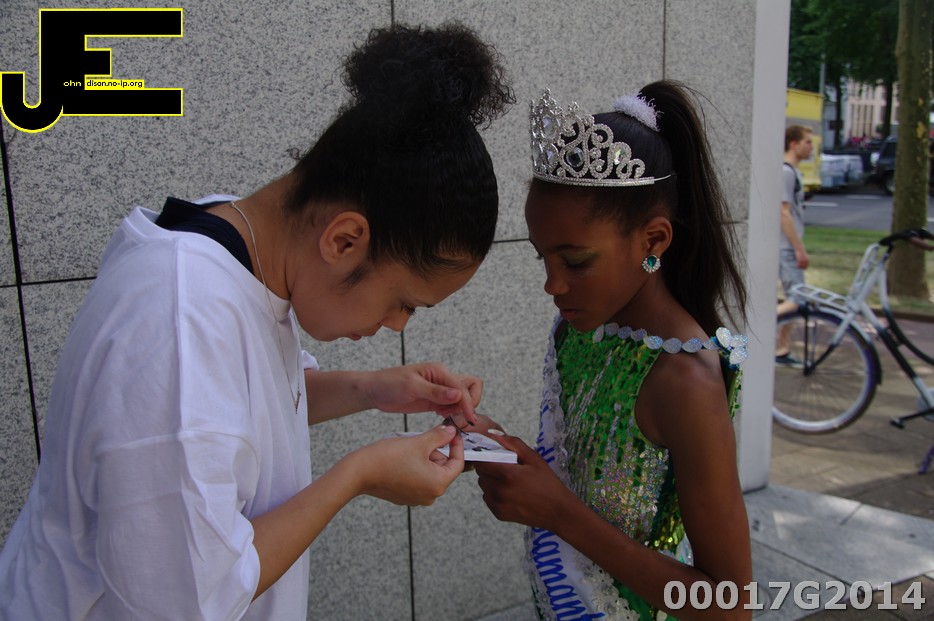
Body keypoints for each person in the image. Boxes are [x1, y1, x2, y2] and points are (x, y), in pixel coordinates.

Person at [0, 22, 513, 620]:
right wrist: (358, 475)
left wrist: (374, 389)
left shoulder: (236, 244)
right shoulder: (180, 319)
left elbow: (239, 408)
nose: (398, 324)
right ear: (345, 240)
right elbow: (194, 596)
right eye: (404, 301)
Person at [472, 82, 752, 620]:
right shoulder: (578, 328)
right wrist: (499, 448)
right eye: (542, 258)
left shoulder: (684, 380)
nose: (553, 285)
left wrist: (559, 513)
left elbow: (729, 606)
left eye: (576, 262)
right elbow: (577, 466)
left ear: (653, 242)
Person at [775, 124, 813, 365]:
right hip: (787, 247)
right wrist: (799, 248)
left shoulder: (793, 172)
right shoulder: (786, 172)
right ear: (794, 144)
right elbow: (784, 213)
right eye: (808, 142)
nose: (811, 148)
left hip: (789, 246)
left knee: (797, 297)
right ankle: (761, 326)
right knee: (797, 299)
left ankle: (781, 349)